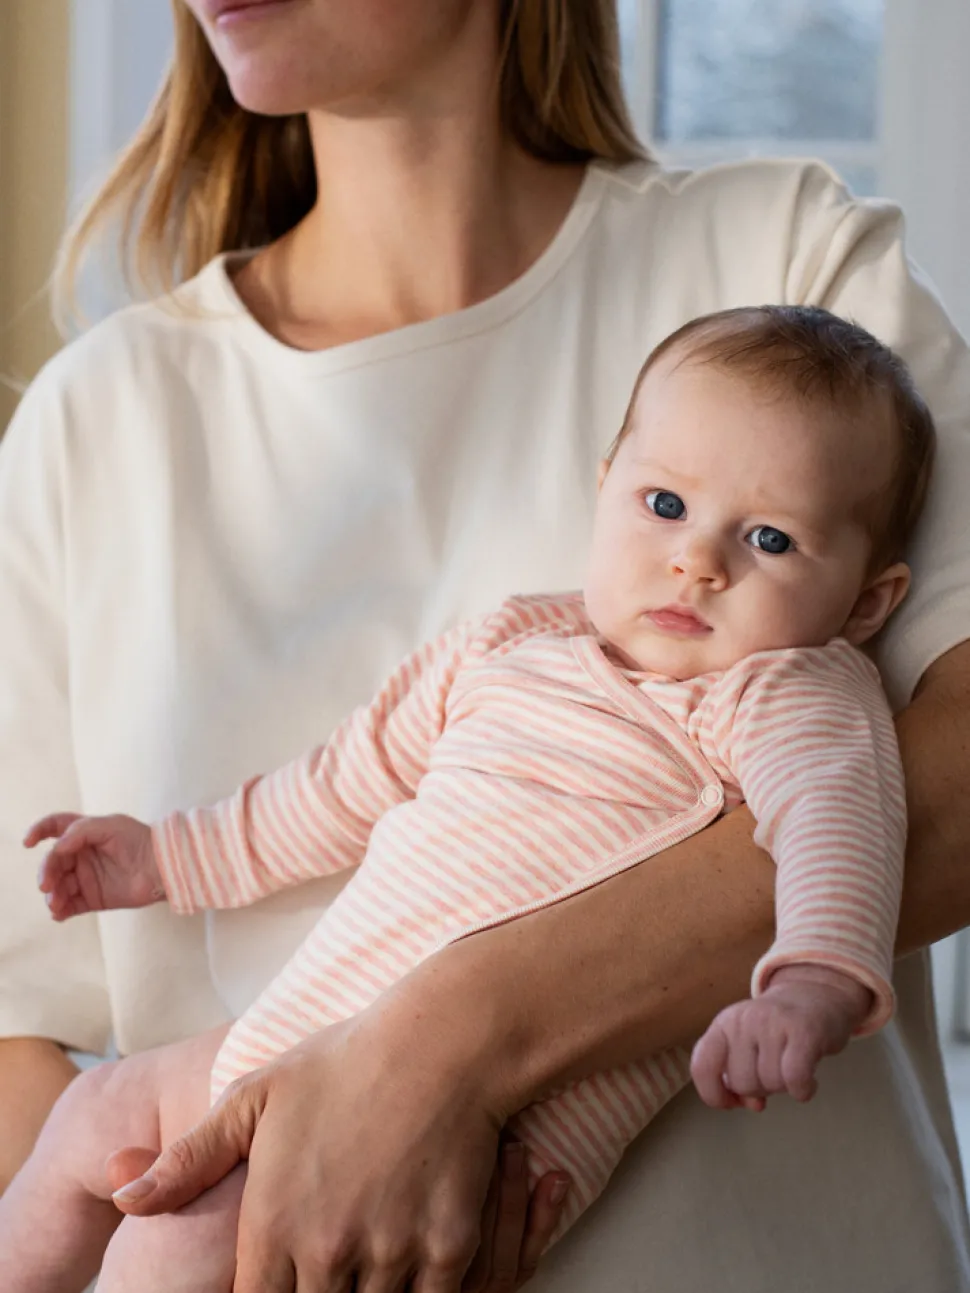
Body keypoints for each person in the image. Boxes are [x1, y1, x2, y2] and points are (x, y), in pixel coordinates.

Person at [1, 1, 970, 1290]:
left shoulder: (785, 270)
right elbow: (33, 1031)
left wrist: (448, 1042)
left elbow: (931, 789)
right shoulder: (97, 420)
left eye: (767, 541)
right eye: (664, 505)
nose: (696, 558)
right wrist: (166, 854)